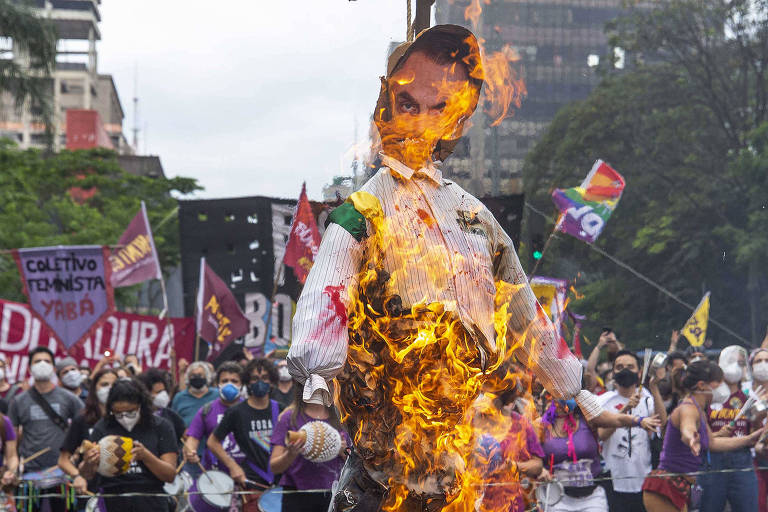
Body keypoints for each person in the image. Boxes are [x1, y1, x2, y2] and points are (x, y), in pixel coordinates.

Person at [289, 23, 613, 511]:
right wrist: (316, 384)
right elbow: (326, 296)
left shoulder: (474, 217)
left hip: (455, 467)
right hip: (381, 470)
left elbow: (525, 310)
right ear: (386, 109)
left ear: (458, 119)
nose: (423, 121)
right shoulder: (363, 211)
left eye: (439, 107)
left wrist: (572, 388)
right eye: (409, 105)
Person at [641, 360, 765, 512]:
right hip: (665, 488)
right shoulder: (688, 408)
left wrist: (748, 439)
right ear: (701, 385)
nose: (723, 387)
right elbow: (688, 427)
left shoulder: (699, 409)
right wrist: (691, 437)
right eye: (719, 382)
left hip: (681, 487)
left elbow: (712, 443)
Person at [537, 398, 660, 512]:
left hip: (592, 498)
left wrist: (639, 421)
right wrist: (540, 470)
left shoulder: (588, 419)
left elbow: (616, 419)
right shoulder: (541, 425)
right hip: (557, 499)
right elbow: (532, 457)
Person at [80, 379, 177, 512]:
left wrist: (146, 456)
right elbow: (86, 474)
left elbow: (170, 475)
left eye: (131, 412)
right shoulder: (103, 427)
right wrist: (88, 462)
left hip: (151, 499)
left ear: (141, 405)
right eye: (118, 414)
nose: (125, 418)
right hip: (114, 500)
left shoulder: (160, 426)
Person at [9, 347, 83, 511]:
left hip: (63, 474)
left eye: (47, 361)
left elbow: (85, 430)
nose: (42, 364)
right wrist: (11, 470)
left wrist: (77, 455)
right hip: (29, 475)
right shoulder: (18, 401)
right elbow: (11, 445)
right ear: (29, 368)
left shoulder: (69, 398)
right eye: (37, 361)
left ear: (53, 368)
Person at [597, 350, 666, 512]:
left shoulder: (648, 399)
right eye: (619, 367)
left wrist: (654, 387)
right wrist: (626, 408)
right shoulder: (603, 401)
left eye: (630, 366)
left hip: (644, 477)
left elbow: (662, 424)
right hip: (612, 478)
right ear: (613, 372)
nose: (625, 370)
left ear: (639, 372)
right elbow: (602, 435)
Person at [695, 345, 758, 512]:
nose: (736, 366)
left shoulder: (749, 396)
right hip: (712, 460)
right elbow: (700, 434)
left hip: (742, 460)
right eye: (731, 361)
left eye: (740, 363)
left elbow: (754, 432)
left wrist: (758, 423)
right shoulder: (708, 395)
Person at [270, 383, 350, 512]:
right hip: (297, 495)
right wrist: (290, 455)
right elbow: (274, 467)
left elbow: (355, 464)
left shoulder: (341, 418)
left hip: (334, 494)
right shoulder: (289, 418)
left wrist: (342, 452)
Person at [208, 358, 279, 498]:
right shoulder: (236, 412)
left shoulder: (281, 409)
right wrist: (233, 466)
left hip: (280, 481)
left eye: (265, 378)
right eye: (254, 378)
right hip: (252, 481)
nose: (260, 382)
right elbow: (212, 442)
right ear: (247, 382)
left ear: (271, 381)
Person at [58, 369, 118, 497]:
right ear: (94, 389)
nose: (109, 389)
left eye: (113, 385)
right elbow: (63, 460)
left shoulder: (124, 419)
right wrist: (78, 476)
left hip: (119, 490)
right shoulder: (82, 419)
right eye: (104, 385)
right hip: (91, 491)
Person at [184, 362, 245, 474]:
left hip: (246, 475)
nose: (229, 384)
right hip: (215, 478)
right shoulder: (206, 411)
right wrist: (190, 451)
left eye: (234, 381)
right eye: (224, 381)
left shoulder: (248, 409)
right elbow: (192, 439)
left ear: (242, 384)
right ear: (217, 384)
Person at [136, 369, 185, 445]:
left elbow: (186, 437)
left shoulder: (171, 415)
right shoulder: (137, 417)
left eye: (164, 391)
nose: (163, 395)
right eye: (158, 392)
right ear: (146, 394)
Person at [747, 347, 768, 512]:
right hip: (751, 459)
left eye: (767, 361)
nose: (763, 365)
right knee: (757, 504)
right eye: (758, 361)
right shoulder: (743, 392)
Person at [170, 362, 218, 427]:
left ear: (207, 377)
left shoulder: (217, 395)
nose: (197, 377)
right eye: (193, 375)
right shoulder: (179, 397)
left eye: (200, 375)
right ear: (188, 378)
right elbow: (173, 421)